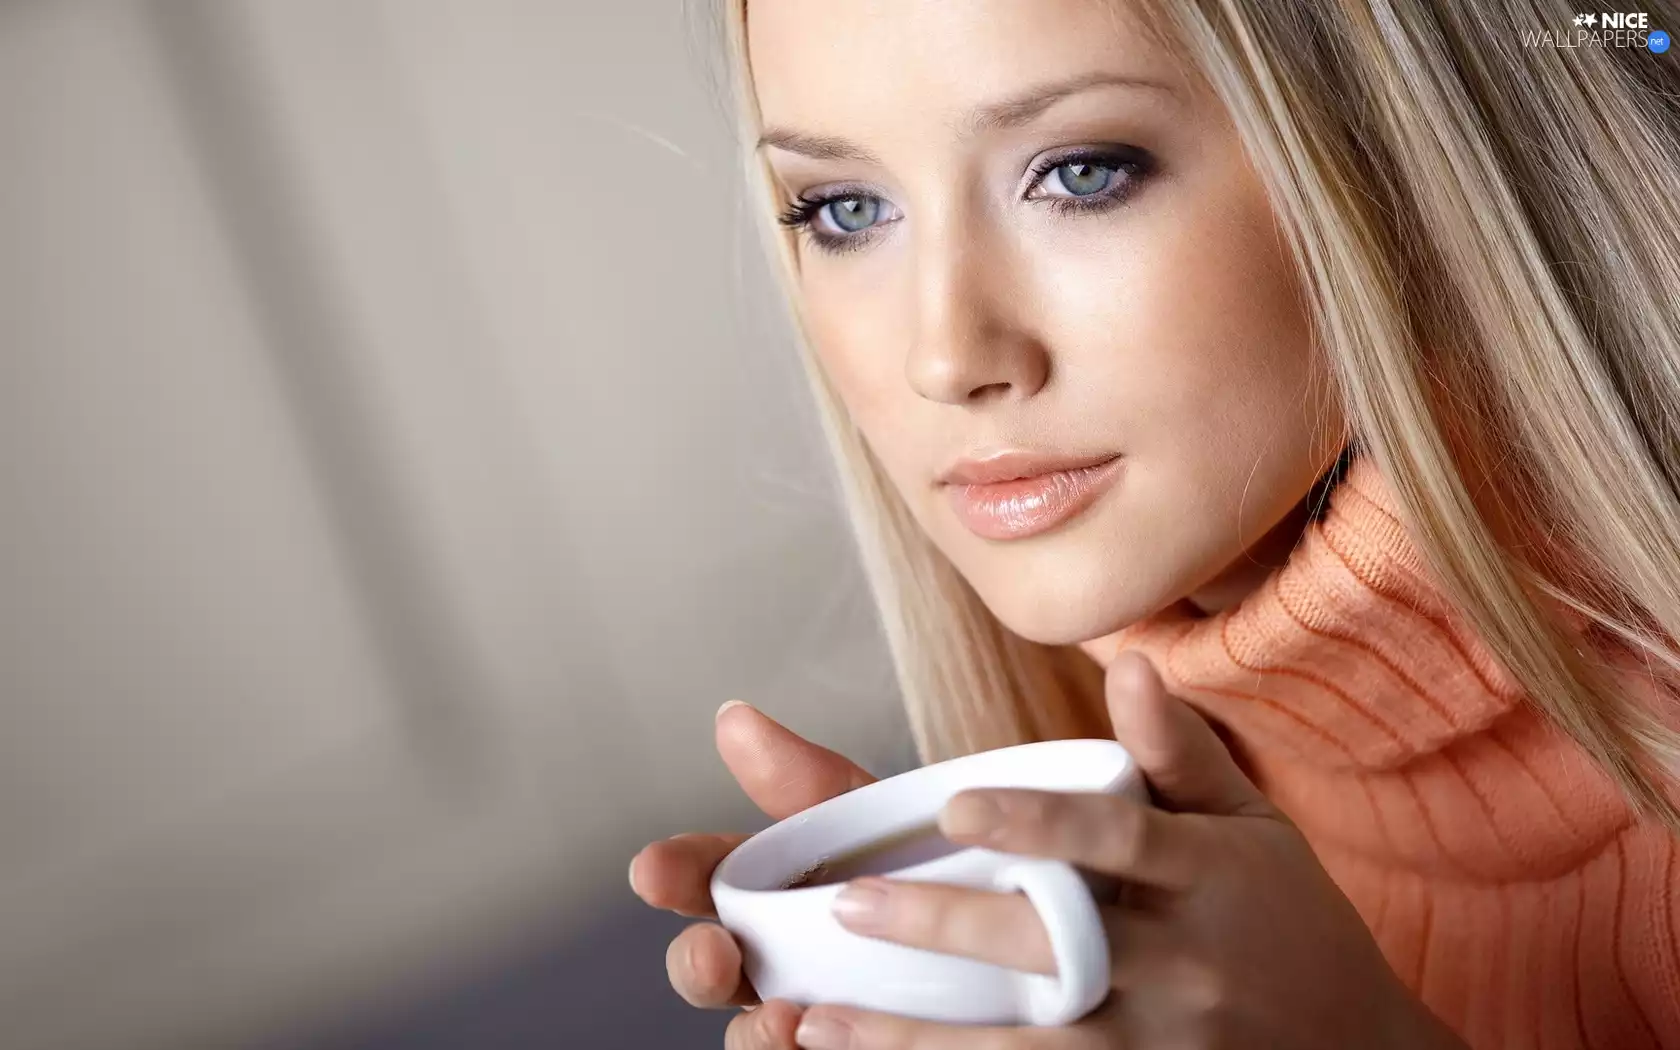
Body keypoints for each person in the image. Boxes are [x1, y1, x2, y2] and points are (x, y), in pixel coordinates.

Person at [629, 0, 1680, 1046]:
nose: (945, 358)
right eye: (845, 210)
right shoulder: (1077, 824)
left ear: (1397, 147)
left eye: (1081, 171)